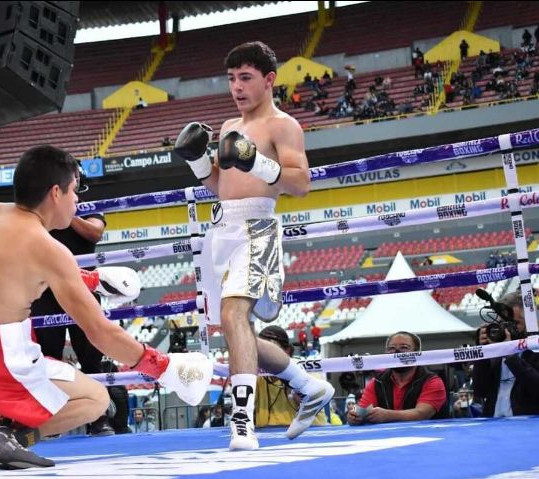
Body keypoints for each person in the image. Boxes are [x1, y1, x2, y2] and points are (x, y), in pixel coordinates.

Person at [0, 145, 212, 470]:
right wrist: (164, 367)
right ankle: (4, 436)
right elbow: (100, 333)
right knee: (96, 399)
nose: (77, 201)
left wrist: (92, 280)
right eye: (73, 191)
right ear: (56, 192)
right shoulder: (48, 248)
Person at [174, 41, 334, 451]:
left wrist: (257, 163)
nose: (237, 87)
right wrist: (198, 163)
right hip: (222, 227)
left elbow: (300, 183)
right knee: (233, 327)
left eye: (245, 78)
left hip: (258, 226)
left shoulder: (283, 125)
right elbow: (221, 185)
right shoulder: (230, 126)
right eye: (231, 79)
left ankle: (241, 422)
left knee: (233, 314)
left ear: (268, 80)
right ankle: (309, 386)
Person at [29, 190, 115, 437]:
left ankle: (99, 419)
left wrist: (68, 212)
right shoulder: (42, 207)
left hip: (83, 289)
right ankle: (52, 422)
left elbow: (95, 232)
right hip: (45, 291)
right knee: (48, 357)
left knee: (91, 356)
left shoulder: (88, 206)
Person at [472, 291, 539, 417]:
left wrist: (511, 356)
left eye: (515, 323)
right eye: (502, 323)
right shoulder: (497, 346)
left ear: (531, 322)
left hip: (531, 428)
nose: (507, 329)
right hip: (494, 426)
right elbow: (480, 391)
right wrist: (483, 353)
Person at [347, 332, 447, 425]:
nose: (396, 352)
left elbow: (421, 414)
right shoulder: (377, 382)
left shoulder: (432, 382)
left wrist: (388, 415)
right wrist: (354, 414)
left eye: (404, 347)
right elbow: (362, 409)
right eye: (391, 348)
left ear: (417, 353)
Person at [255, 325, 330, 429]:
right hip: (266, 435)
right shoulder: (257, 375)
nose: (265, 355)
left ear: (287, 351)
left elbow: (315, 401)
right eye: (261, 351)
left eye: (271, 349)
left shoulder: (305, 369)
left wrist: (294, 383)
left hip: (309, 433)